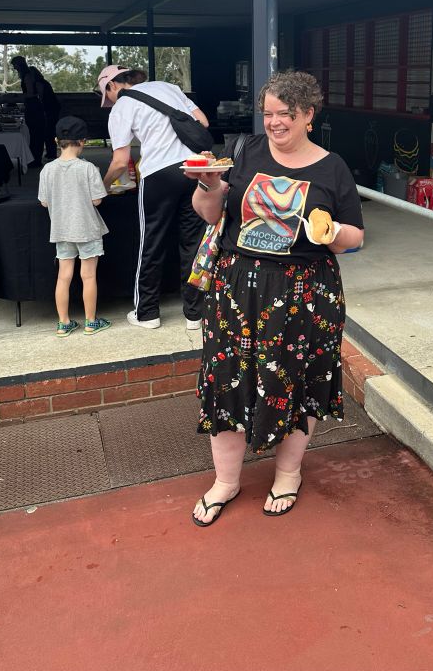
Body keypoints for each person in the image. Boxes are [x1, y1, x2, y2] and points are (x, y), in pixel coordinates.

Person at [185, 69, 365, 526]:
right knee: (225, 377)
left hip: (305, 289)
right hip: (237, 287)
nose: (273, 123)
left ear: (307, 114)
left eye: (284, 114)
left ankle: (288, 473)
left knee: (296, 380)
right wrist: (208, 184)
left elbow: (354, 238)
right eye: (267, 114)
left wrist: (330, 231)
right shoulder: (243, 152)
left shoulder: (333, 167)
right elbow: (211, 214)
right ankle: (225, 481)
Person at [99, 64, 209, 332]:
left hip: (158, 175)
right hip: (194, 169)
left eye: (106, 94)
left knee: (152, 241)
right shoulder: (168, 87)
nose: (109, 100)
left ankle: (147, 312)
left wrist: (101, 186)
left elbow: (120, 161)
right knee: (193, 243)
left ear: (113, 85)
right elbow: (202, 122)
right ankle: (195, 314)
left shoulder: (121, 108)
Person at [38, 115, 111, 337]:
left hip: (61, 229)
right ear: (83, 141)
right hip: (86, 228)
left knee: (64, 276)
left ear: (55, 141)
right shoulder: (88, 168)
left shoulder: (47, 170)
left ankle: (63, 323)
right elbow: (97, 199)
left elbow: (44, 202)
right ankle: (91, 322)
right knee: (88, 276)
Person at [10, 55, 61, 168]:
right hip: (35, 107)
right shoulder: (30, 76)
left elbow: (31, 93)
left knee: (36, 134)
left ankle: (36, 159)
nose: (14, 68)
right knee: (36, 133)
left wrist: (15, 98)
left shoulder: (27, 76)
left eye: (15, 65)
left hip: (34, 107)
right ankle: (36, 158)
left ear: (19, 65)